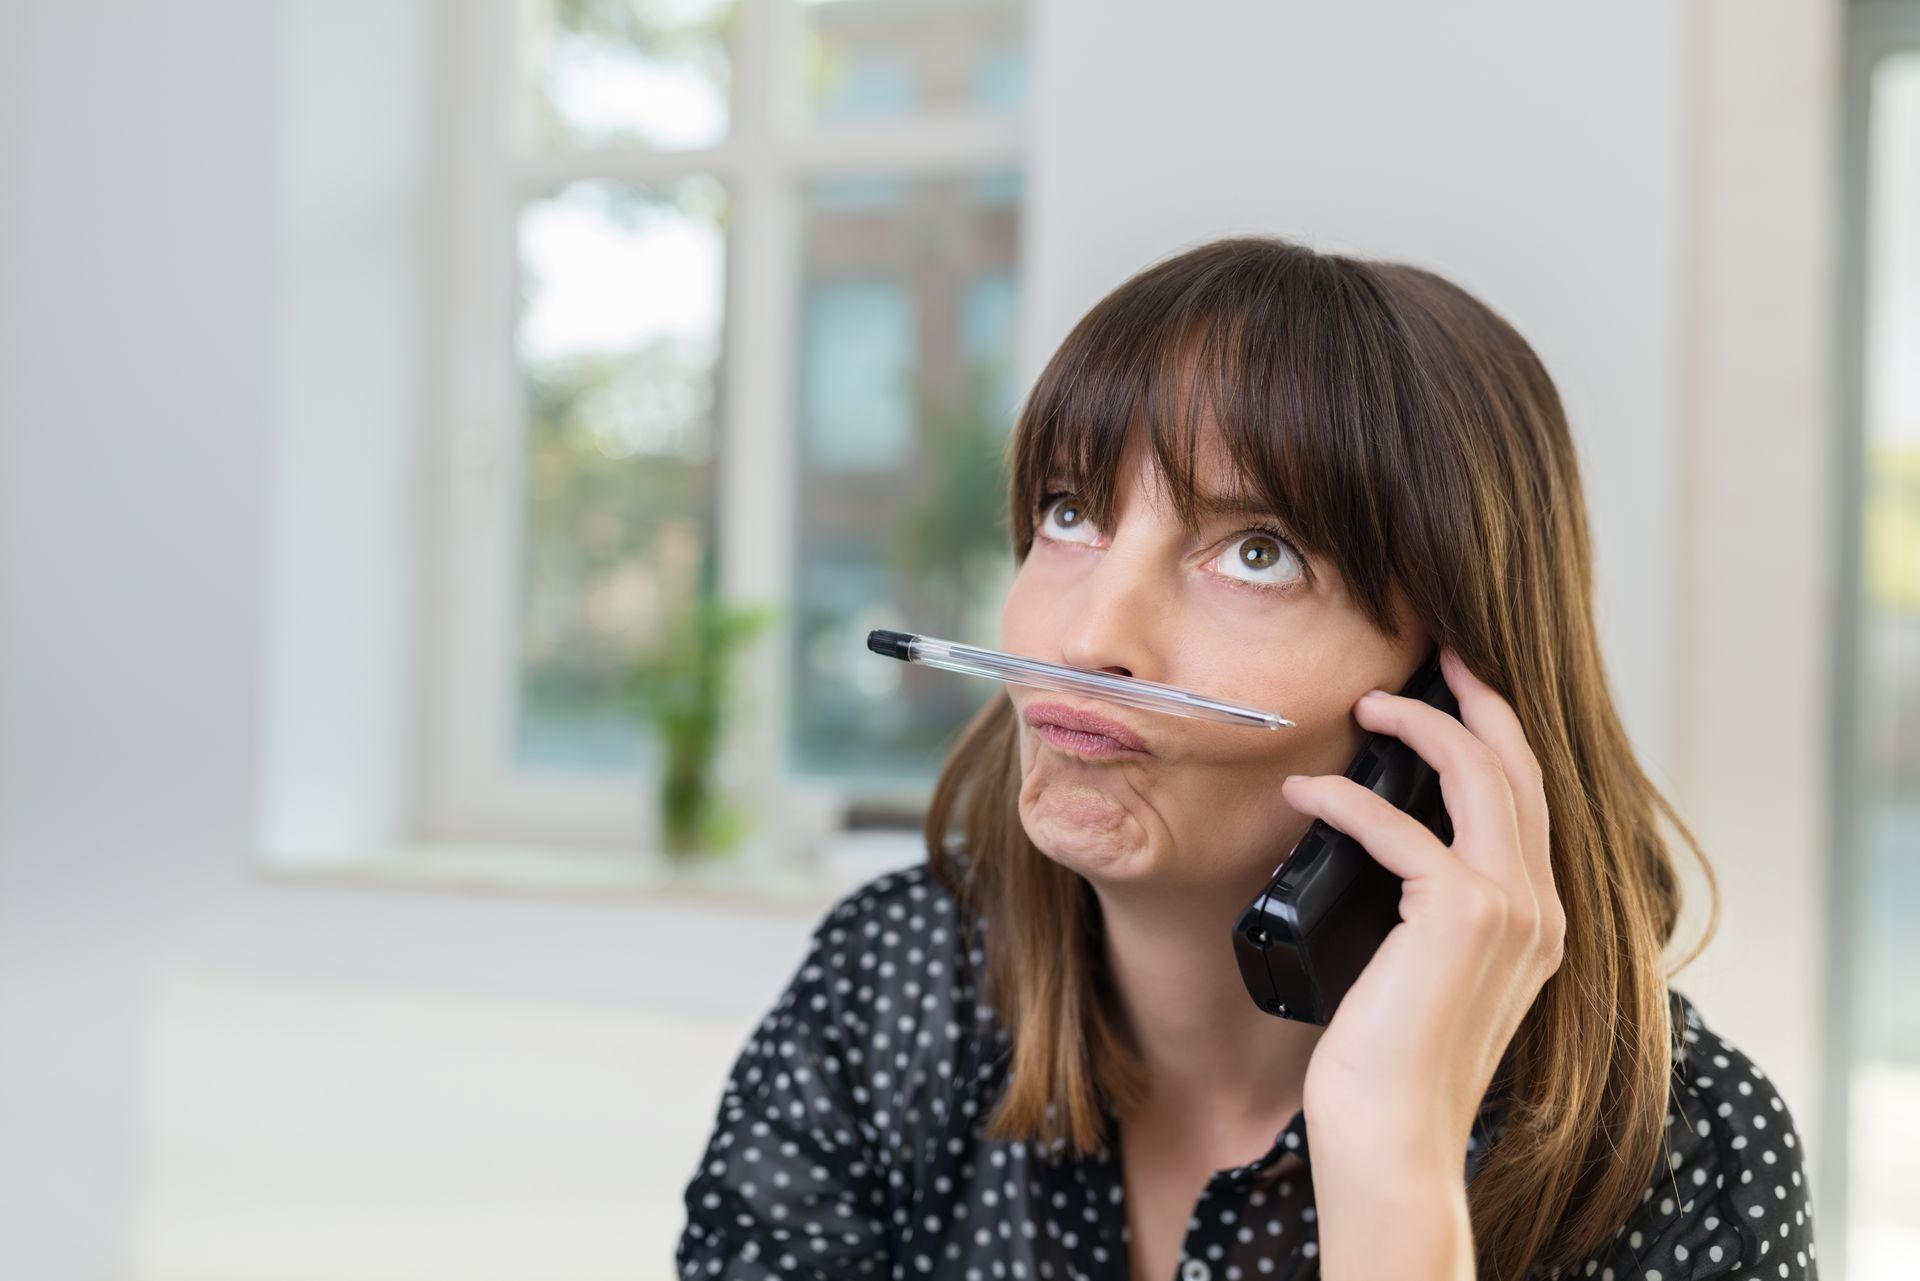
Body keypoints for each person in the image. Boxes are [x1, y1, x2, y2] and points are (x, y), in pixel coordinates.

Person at [675, 236, 1820, 1280]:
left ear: (1446, 691)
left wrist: (1393, 1166)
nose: (1086, 640)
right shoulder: (890, 991)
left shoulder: (1684, 1159)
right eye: (1071, 513)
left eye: (1257, 552)